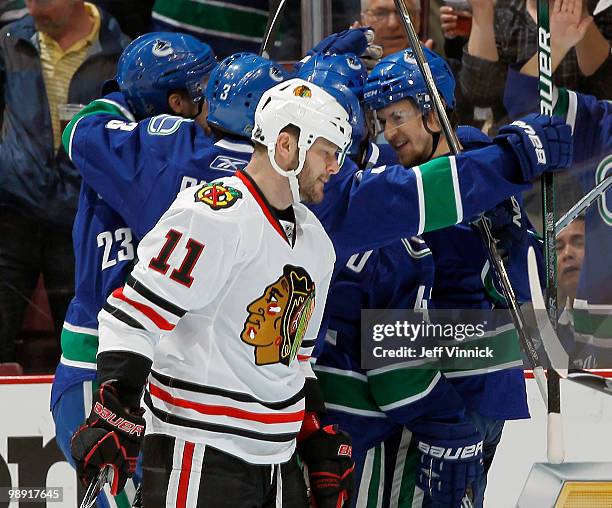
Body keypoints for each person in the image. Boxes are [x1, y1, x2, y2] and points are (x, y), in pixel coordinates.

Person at [70, 77, 356, 507]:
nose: (335, 166)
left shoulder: (317, 243)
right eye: (327, 152)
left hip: (278, 463)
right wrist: (116, 399)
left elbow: (295, 357)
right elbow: (134, 315)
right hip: (199, 453)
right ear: (286, 145)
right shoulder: (212, 214)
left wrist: (315, 433)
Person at [356, 46, 547, 507]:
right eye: (382, 120)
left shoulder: (478, 162)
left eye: (398, 117)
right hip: (419, 386)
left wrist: (512, 238)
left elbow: (530, 274)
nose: (390, 132)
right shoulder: (395, 172)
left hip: (470, 387)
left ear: (433, 111)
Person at [51, 32, 222, 507]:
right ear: (175, 102)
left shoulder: (110, 144)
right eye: (205, 87)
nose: (214, 96)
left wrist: (122, 100)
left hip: (132, 369)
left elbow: (80, 127)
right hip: (103, 373)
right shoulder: (181, 159)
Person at [0, 0, 128, 363]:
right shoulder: (9, 40)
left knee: (80, 341)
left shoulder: (121, 52)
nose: (31, 5)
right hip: (13, 210)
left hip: (82, 216)